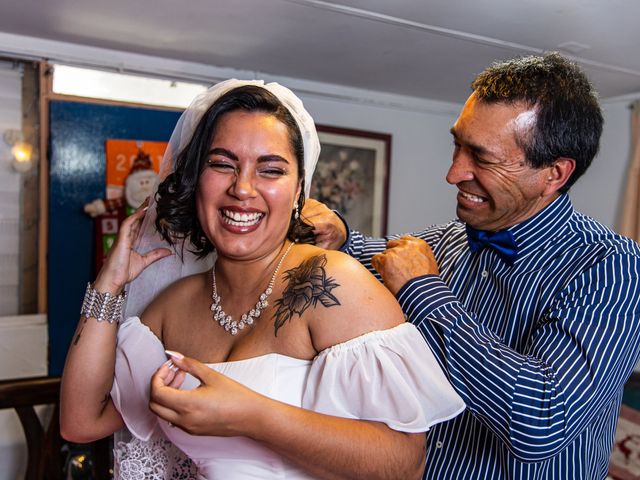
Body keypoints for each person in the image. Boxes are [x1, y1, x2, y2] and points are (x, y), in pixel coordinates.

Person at [60, 79, 464, 479]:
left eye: (270, 170)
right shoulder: (174, 305)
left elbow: (402, 464)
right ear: (195, 179)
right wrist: (108, 285)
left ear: (299, 191)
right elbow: (81, 421)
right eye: (221, 164)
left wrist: (250, 415)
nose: (243, 188)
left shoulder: (334, 283)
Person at [305, 53, 640, 479]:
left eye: (481, 158)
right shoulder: (451, 237)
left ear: (553, 174)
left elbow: (539, 420)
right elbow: (386, 259)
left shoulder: (614, 268)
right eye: (457, 145)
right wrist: (342, 237)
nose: (453, 173)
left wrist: (424, 292)